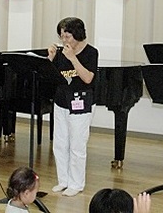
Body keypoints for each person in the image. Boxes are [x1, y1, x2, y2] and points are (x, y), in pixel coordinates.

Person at [48, 17, 98, 197]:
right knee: (60, 143)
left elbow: (88, 78)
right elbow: (52, 77)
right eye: (61, 36)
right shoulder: (62, 52)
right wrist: (50, 59)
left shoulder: (91, 52)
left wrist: (73, 58)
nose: (64, 40)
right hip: (61, 102)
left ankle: (76, 183)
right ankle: (63, 180)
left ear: (77, 35)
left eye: (67, 36)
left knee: (77, 144)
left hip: (81, 103)